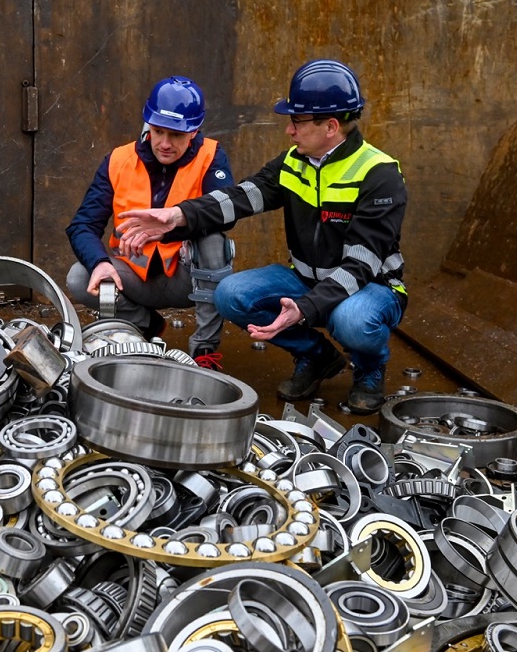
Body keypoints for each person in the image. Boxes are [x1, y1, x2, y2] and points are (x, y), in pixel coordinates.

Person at [116, 60, 407, 413]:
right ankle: (317, 357)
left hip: (370, 286)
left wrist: (304, 308)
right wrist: (176, 216)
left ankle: (369, 370)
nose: (289, 131)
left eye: (297, 121)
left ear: (330, 126)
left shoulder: (379, 174)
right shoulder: (293, 162)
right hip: (306, 279)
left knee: (351, 320)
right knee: (231, 294)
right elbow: (239, 197)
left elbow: (360, 266)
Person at [65, 76, 235, 369]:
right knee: (80, 277)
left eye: (176, 136)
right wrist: (100, 263)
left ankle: (204, 351)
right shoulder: (118, 160)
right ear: (148, 124)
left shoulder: (211, 156)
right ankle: (146, 325)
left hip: (187, 275)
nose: (165, 144)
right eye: (158, 132)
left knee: (214, 241)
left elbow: (224, 213)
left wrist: (173, 230)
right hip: (133, 273)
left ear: (193, 132)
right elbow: (82, 225)